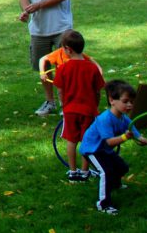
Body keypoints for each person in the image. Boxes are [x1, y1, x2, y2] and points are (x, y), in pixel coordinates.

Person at [19, 0, 73, 116]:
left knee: (64, 67)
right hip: (39, 29)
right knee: (44, 67)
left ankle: (66, 102)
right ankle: (50, 101)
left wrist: (39, 5)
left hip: (61, 26)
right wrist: (26, 11)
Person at [80, 81, 147, 215]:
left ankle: (115, 184)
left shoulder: (124, 118)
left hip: (104, 150)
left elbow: (136, 134)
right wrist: (125, 137)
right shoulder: (104, 119)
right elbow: (110, 142)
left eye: (132, 102)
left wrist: (142, 140)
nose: (129, 105)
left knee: (122, 167)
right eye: (125, 101)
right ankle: (103, 204)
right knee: (106, 172)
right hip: (92, 150)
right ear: (112, 100)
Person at [52, 30, 105, 182]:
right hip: (88, 110)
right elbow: (98, 91)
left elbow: (60, 90)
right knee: (87, 140)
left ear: (68, 49)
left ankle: (73, 171)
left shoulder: (63, 68)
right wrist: (95, 105)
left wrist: (63, 104)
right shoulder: (92, 68)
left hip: (70, 111)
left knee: (71, 140)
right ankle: (84, 171)